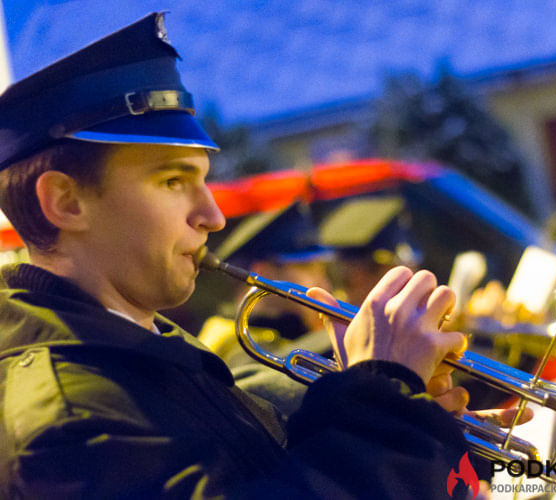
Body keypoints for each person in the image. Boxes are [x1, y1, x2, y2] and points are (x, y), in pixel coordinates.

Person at [0, 13, 527, 498]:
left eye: (203, 181)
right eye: (172, 180)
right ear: (65, 202)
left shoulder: (142, 348)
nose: (212, 216)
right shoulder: (68, 415)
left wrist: (415, 429)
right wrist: (383, 404)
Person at [198, 201, 334, 416]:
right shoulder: (233, 346)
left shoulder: (287, 334)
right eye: (309, 269)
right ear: (264, 274)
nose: (324, 284)